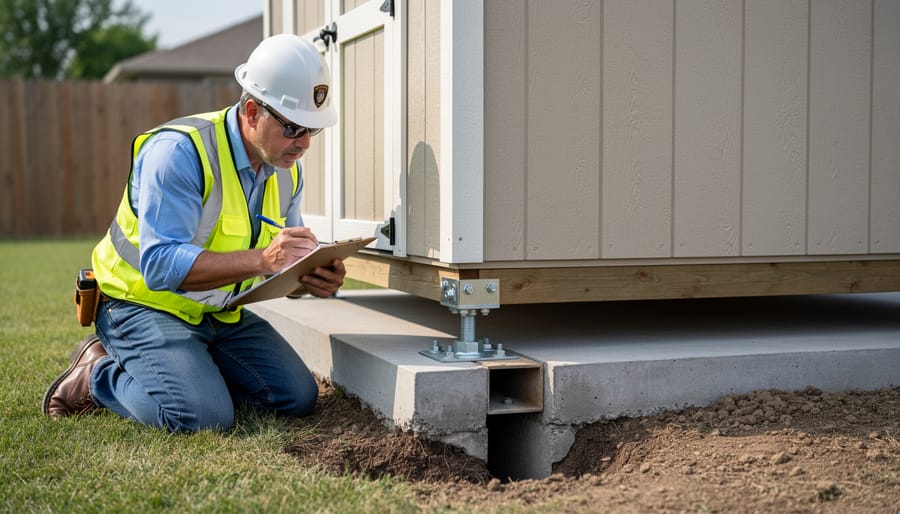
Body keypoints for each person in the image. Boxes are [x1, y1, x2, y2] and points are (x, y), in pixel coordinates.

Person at [42, 34, 345, 432]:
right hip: (140, 305)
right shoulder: (179, 153)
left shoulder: (287, 172)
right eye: (293, 128)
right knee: (202, 418)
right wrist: (262, 259)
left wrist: (311, 278)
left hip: (215, 310)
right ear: (252, 112)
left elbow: (282, 264)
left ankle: (193, 374)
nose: (304, 143)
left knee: (296, 397)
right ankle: (98, 374)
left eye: (312, 131)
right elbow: (160, 265)